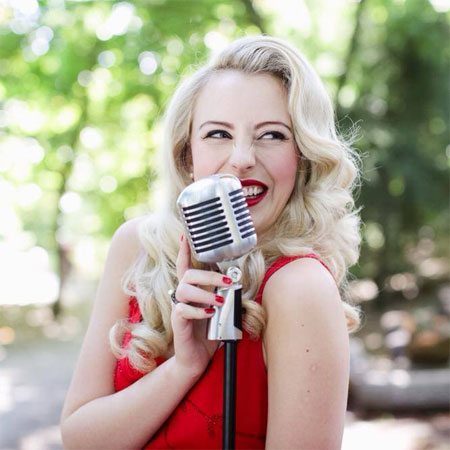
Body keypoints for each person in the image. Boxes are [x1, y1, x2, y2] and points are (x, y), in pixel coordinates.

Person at [60, 35, 362, 449]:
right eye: (218, 133)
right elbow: (80, 439)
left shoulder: (301, 287)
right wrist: (185, 366)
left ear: (303, 156)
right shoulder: (137, 247)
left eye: (272, 135)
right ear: (187, 155)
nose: (242, 158)